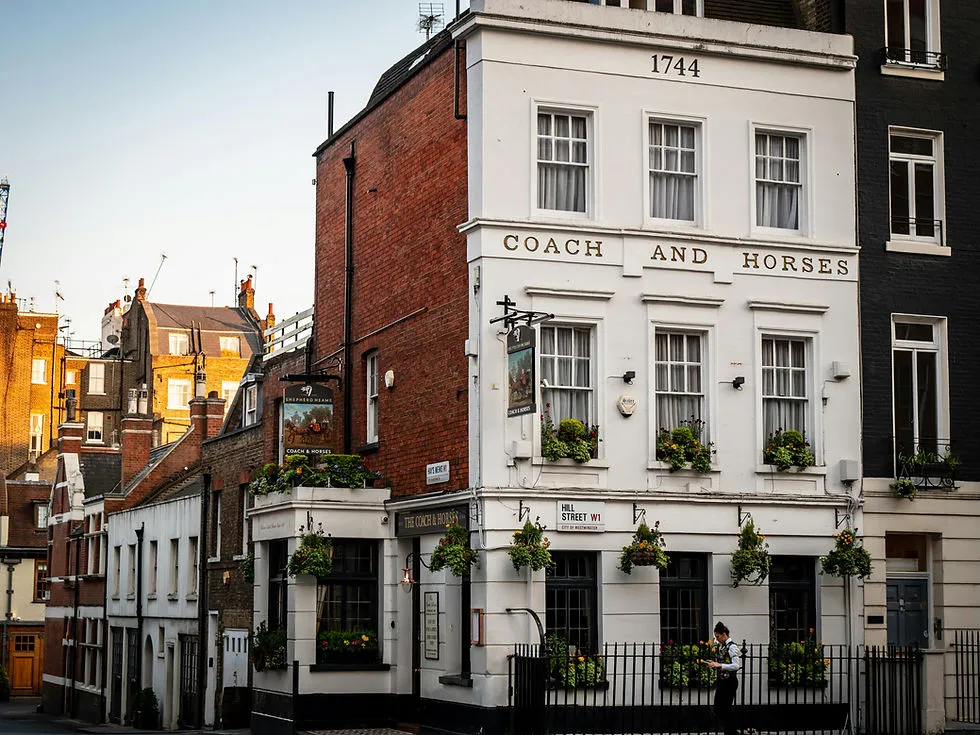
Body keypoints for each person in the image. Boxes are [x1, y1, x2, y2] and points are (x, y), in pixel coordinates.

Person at [703, 621, 741, 735]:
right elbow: (723, 662)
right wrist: (714, 663)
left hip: (730, 682)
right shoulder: (722, 647)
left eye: (718, 636)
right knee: (719, 708)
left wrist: (719, 665)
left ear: (724, 634)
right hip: (722, 681)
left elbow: (736, 666)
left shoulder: (732, 647)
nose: (717, 639)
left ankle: (731, 732)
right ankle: (730, 731)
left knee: (725, 708)